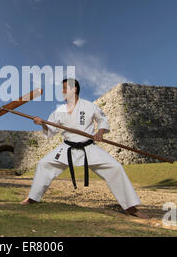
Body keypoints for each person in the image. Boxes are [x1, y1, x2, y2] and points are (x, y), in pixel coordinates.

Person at [21, 78, 149, 219]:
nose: (62, 91)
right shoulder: (59, 111)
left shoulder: (89, 106)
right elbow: (50, 131)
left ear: (74, 89)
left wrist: (100, 132)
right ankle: (32, 198)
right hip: (67, 147)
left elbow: (102, 119)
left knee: (115, 167)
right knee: (44, 164)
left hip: (88, 147)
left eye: (65, 88)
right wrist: (42, 124)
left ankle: (130, 207)